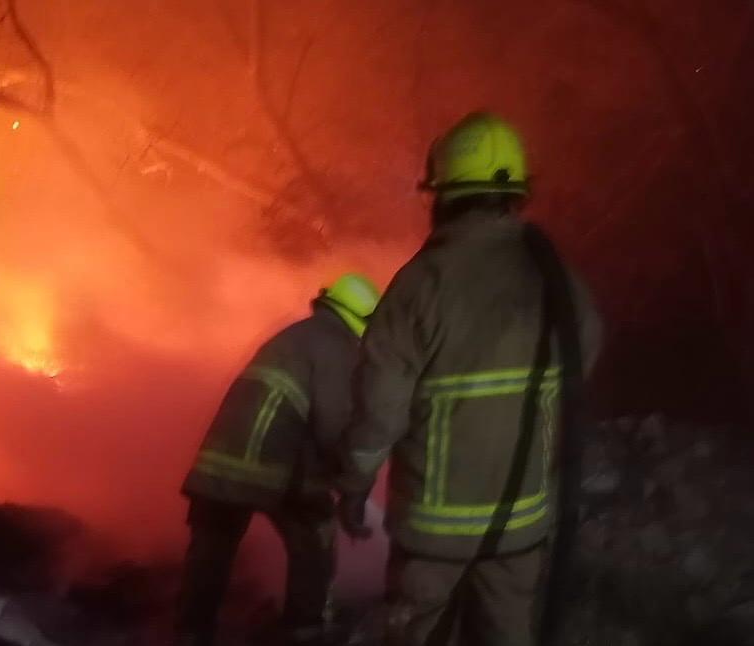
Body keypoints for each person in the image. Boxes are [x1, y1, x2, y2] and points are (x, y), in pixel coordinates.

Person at [334, 112, 602, 646]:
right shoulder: (551, 275)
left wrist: (354, 483)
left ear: (443, 194)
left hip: (434, 534)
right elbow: (583, 353)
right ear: (515, 192)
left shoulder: (422, 283)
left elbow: (379, 406)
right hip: (519, 525)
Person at [177, 274, 381, 646]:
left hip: (219, 462)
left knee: (211, 554)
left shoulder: (296, 336)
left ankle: (192, 634)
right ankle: (306, 631)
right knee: (315, 535)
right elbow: (333, 425)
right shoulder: (338, 346)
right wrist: (351, 484)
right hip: (273, 465)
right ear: (363, 319)